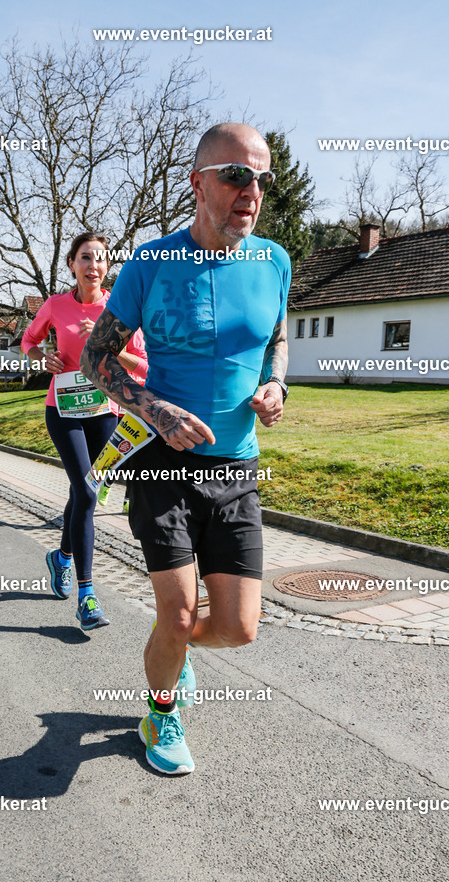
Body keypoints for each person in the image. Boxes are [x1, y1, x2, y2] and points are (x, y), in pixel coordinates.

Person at [81, 123, 291, 774]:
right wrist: (155, 408)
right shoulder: (152, 263)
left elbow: (277, 340)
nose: (251, 191)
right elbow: (96, 358)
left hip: (236, 465)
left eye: (262, 179)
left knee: (237, 629)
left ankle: (174, 649)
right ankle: (160, 711)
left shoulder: (273, 262)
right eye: (235, 175)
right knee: (175, 616)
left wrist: (277, 384)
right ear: (198, 183)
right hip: (161, 463)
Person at [20, 233, 146, 631]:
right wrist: (43, 357)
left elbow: (143, 365)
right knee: (88, 492)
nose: (94, 265)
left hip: (105, 410)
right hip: (64, 410)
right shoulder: (55, 305)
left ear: (108, 266)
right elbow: (28, 340)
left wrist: (108, 347)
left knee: (82, 494)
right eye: (86, 257)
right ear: (72, 264)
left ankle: (60, 557)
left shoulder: (119, 308)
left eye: (101, 258)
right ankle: (87, 596)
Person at [97, 333, 148, 511]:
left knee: (138, 456)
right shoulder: (128, 331)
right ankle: (107, 482)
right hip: (122, 401)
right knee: (123, 452)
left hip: (143, 399)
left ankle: (128, 499)